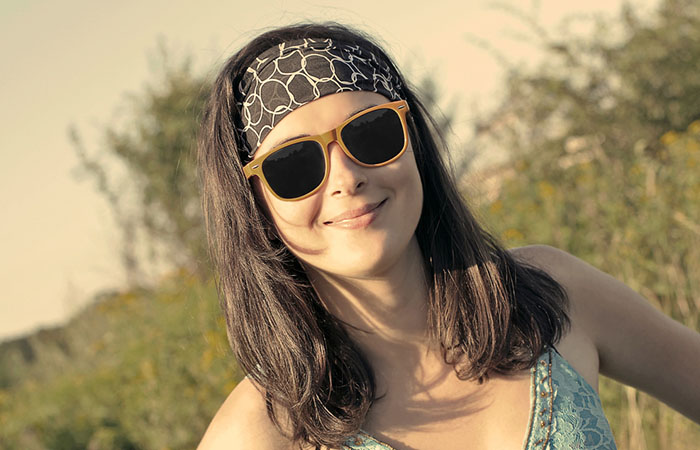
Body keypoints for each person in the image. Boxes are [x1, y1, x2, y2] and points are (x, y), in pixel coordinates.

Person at [195, 23, 700, 450]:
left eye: (370, 133)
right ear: (254, 202)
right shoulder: (260, 431)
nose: (346, 177)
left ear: (412, 139)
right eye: (295, 164)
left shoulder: (550, 295)